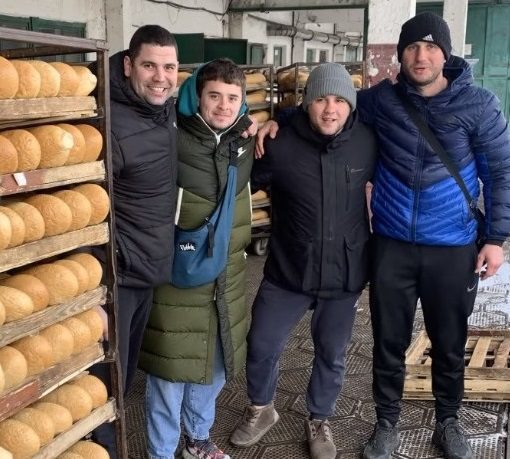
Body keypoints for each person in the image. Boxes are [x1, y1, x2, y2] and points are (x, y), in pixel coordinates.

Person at [257, 12, 510, 459]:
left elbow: (501, 172)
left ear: (446, 55)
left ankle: (448, 421)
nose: (421, 56)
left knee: (449, 341)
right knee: (388, 341)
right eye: (412, 47)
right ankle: (386, 423)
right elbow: (332, 107)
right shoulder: (381, 101)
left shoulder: (479, 105)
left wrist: (495, 238)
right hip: (392, 245)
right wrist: (279, 118)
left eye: (431, 47)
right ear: (400, 54)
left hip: (452, 246)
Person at [229, 63, 378, 459]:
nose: (330, 109)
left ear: (351, 105)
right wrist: (262, 125)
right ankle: (261, 409)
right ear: (306, 103)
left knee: (332, 353)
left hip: (344, 271)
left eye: (340, 101)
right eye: (321, 100)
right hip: (288, 269)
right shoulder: (278, 143)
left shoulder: (368, 140)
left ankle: (319, 419)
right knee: (261, 342)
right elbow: (241, 181)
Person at [138, 58, 255, 459]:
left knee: (215, 366)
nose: (223, 106)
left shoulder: (244, 142)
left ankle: (197, 441)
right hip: (177, 275)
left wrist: (272, 124)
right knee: (170, 372)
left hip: (228, 276)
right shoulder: (169, 135)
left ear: (242, 102)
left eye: (232, 98)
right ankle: (160, 452)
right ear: (197, 97)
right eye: (214, 96)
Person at [90, 24, 179, 457]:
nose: (160, 77)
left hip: (147, 270)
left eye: (169, 67)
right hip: (116, 278)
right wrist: (93, 295)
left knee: (123, 381)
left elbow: (219, 106)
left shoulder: (164, 110)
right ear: (128, 66)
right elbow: (84, 208)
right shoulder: (109, 123)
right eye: (149, 66)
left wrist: (263, 124)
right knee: (106, 383)